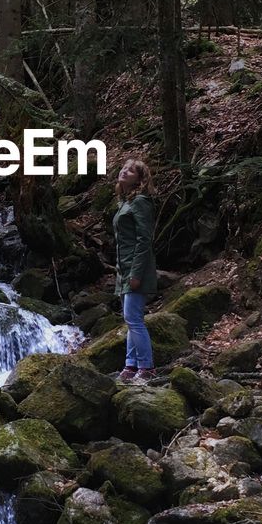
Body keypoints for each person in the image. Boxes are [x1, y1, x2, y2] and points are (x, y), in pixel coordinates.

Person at [112, 158, 157, 383]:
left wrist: (136, 273)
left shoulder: (140, 202)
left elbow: (144, 240)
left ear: (140, 179)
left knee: (134, 319)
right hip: (124, 269)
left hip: (135, 269)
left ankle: (147, 367)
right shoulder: (124, 202)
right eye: (124, 168)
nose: (124, 171)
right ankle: (130, 365)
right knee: (130, 319)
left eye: (131, 171)